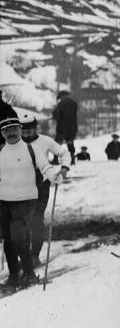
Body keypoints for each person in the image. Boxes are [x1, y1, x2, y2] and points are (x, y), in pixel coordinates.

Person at [0, 116, 63, 288]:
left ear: (20, 130)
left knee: (18, 236)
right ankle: (14, 274)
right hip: (4, 201)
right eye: (7, 130)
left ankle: (28, 273)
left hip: (26, 199)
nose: (11, 133)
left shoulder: (31, 149)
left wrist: (54, 176)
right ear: (2, 133)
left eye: (14, 129)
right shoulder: (0, 152)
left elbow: (45, 167)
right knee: (7, 238)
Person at [19, 113, 70, 267]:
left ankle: (34, 255)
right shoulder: (16, 143)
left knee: (36, 221)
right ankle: (24, 256)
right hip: (21, 187)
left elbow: (63, 153)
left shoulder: (45, 141)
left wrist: (64, 169)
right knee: (21, 222)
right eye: (24, 131)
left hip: (41, 186)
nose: (26, 134)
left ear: (35, 128)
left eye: (29, 131)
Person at [52, 90, 78, 165]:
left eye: (60, 97)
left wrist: (55, 117)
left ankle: (55, 160)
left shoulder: (61, 103)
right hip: (72, 128)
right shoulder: (74, 103)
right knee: (70, 143)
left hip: (62, 128)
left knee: (57, 144)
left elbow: (56, 113)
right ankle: (72, 160)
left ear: (62, 96)